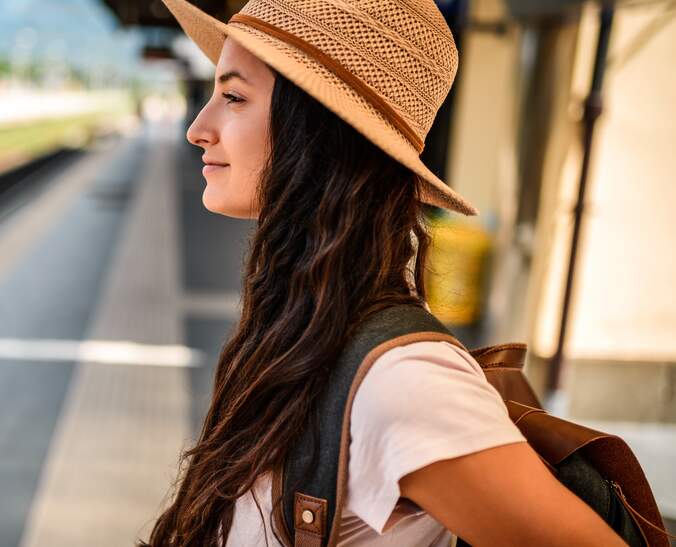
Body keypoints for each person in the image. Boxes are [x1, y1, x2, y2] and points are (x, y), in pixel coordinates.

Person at [140, 1, 628, 546]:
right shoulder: (304, 327)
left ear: (322, 135)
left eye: (233, 97)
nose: (198, 129)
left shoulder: (405, 383)